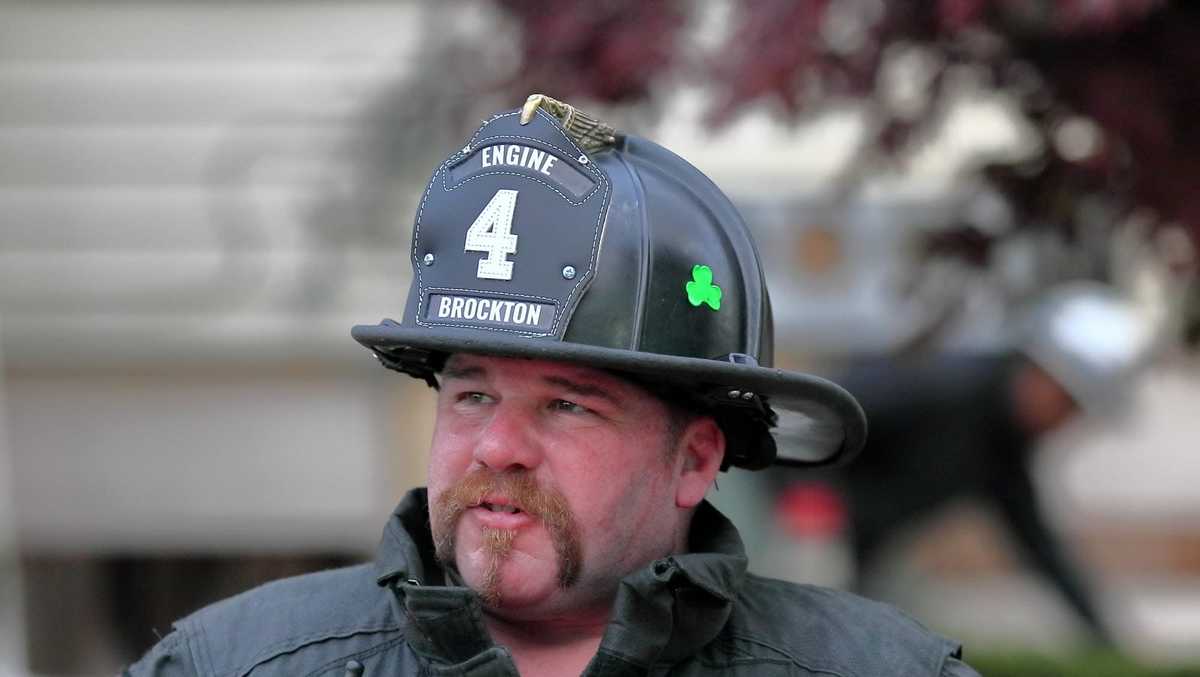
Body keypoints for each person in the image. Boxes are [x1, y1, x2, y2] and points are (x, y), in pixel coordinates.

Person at [126, 95, 980, 676]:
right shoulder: (234, 663)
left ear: (694, 458)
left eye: (567, 404)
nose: (498, 446)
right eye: (472, 394)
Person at [786, 283, 1153, 645]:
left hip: (867, 544)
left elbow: (1040, 546)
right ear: (1040, 370)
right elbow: (821, 415)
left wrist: (1106, 639)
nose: (1065, 422)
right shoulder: (944, 383)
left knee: (893, 638)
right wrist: (809, 497)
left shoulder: (1003, 448)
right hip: (792, 514)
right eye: (1066, 402)